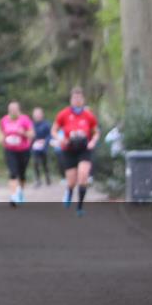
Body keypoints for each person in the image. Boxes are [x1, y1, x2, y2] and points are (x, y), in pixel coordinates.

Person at [52, 87, 100, 217]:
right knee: (72, 181)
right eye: (75, 98)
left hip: (84, 150)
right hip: (69, 149)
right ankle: (69, 191)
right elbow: (54, 130)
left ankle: (79, 206)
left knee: (83, 175)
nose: (77, 101)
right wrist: (60, 139)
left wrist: (93, 142)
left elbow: (96, 132)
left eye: (79, 98)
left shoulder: (88, 115)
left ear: (83, 99)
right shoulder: (64, 114)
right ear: (71, 100)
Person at [0, 101, 34, 206]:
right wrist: (1, 138)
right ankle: (13, 196)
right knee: (13, 172)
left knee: (22, 174)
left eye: (15, 109)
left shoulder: (25, 119)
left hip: (24, 150)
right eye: (11, 109)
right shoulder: (4, 120)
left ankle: (20, 192)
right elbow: (1, 131)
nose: (13, 111)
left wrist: (24, 133)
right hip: (10, 149)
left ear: (19, 110)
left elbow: (32, 134)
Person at [30, 107, 52, 187]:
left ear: (42, 115)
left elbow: (50, 135)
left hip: (44, 147)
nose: (37, 116)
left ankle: (47, 177)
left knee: (45, 163)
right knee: (35, 163)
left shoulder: (46, 124)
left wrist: (45, 141)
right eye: (35, 114)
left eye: (38, 114)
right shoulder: (31, 124)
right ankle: (38, 179)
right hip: (35, 147)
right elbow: (30, 135)